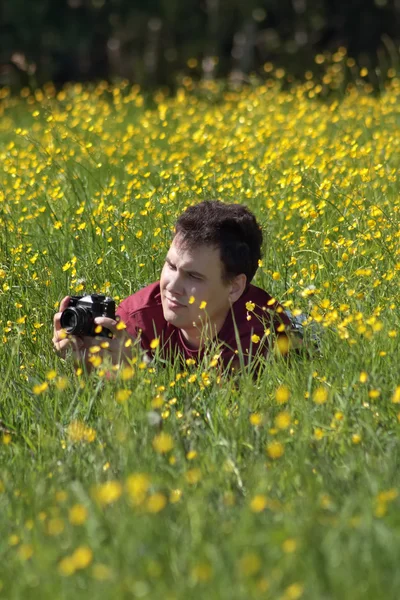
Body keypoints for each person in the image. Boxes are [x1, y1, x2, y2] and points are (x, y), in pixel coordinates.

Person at [53, 200, 294, 373]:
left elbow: (222, 415)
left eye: (194, 277)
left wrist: (140, 370)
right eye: (171, 266)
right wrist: (87, 365)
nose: (172, 286)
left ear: (234, 287)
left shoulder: (260, 326)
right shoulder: (136, 321)